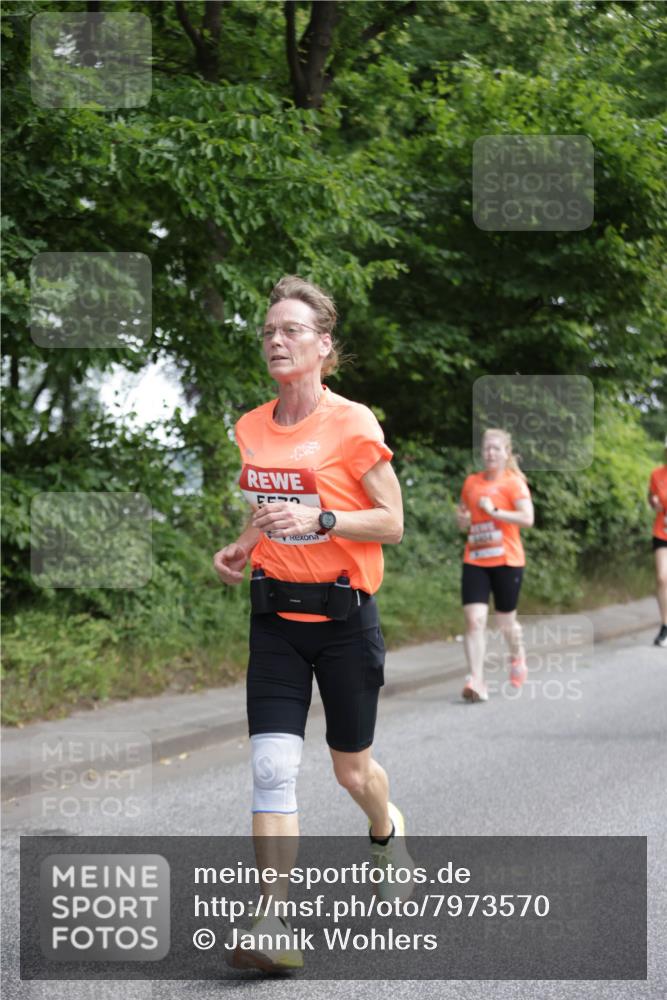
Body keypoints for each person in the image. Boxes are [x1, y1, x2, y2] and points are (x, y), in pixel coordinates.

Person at [213, 275, 411, 973]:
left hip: (343, 620)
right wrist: (244, 543)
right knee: (271, 768)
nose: (274, 339)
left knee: (351, 774)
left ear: (323, 346)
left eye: (290, 330)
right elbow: (269, 502)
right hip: (273, 617)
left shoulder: (352, 423)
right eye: (268, 330)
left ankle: (386, 834)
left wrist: (323, 519)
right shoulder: (250, 426)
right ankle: (272, 919)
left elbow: (391, 522)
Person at [455, 428, 534, 702]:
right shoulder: (472, 482)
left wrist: (495, 512)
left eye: (496, 448)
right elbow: (463, 515)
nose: (489, 453)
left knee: (505, 622)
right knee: (474, 620)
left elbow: (528, 518)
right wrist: (463, 519)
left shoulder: (514, 483)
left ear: (506, 453)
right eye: (486, 448)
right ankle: (477, 680)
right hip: (476, 559)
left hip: (507, 560)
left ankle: (518, 656)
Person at [648, 437, 667, 648]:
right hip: (662, 531)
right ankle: (665, 626)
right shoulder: (657, 474)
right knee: (662, 578)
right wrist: (653, 502)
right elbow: (652, 499)